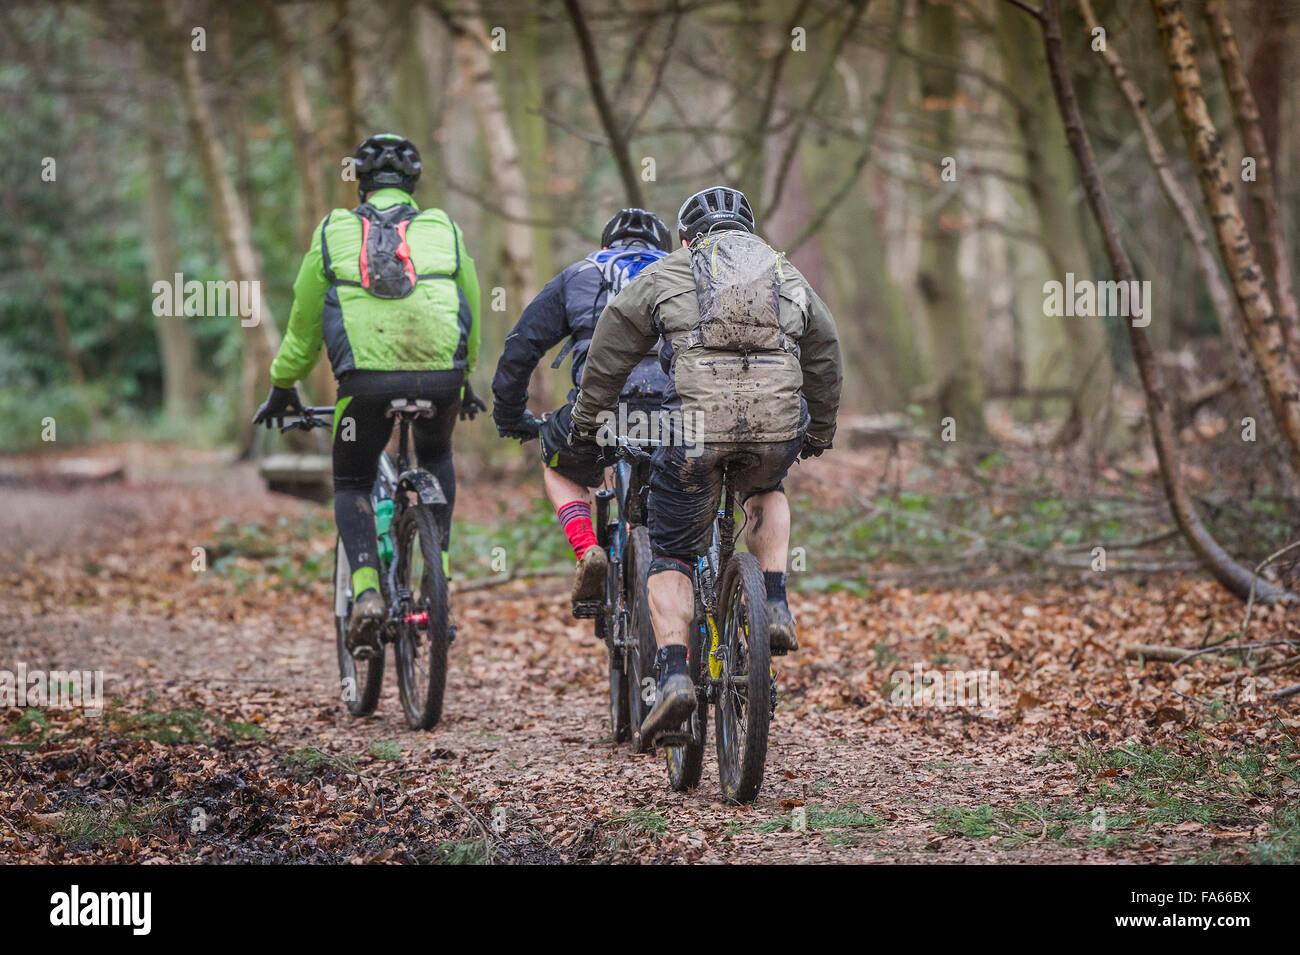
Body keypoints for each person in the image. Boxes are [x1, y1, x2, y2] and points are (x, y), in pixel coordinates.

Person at [569, 185, 841, 742]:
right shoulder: (785, 273)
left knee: (669, 550)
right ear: (749, 231)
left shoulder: (672, 269)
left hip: (695, 433)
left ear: (689, 237)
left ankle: (672, 675)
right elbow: (825, 350)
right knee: (767, 488)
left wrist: (587, 415)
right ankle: (774, 600)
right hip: (773, 429)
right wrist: (820, 428)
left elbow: (612, 342)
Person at [254, 133, 482, 659]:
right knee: (438, 453)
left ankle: (366, 592)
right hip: (440, 380)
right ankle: (438, 580)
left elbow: (305, 323)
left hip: (365, 385)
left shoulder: (335, 228)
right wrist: (464, 374)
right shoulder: (441, 226)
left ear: (359, 184)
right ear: (413, 184)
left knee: (353, 479)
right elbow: (470, 302)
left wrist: (284, 383)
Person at [491, 208, 673, 615]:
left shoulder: (580, 274)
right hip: (675, 407)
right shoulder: (685, 272)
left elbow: (521, 347)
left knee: (558, 465)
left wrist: (510, 413)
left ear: (606, 246)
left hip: (600, 409)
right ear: (663, 247)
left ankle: (587, 547)